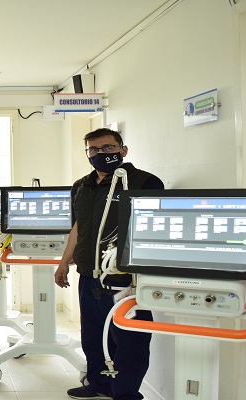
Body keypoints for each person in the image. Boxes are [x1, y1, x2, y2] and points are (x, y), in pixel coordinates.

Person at [54, 128, 164, 400]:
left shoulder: (144, 182)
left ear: (123, 150)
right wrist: (64, 263)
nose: (101, 154)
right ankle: (99, 384)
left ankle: (125, 393)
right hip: (90, 276)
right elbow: (78, 228)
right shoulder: (82, 186)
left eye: (107, 148)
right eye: (93, 150)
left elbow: (155, 230)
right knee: (93, 336)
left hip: (125, 280)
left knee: (129, 340)